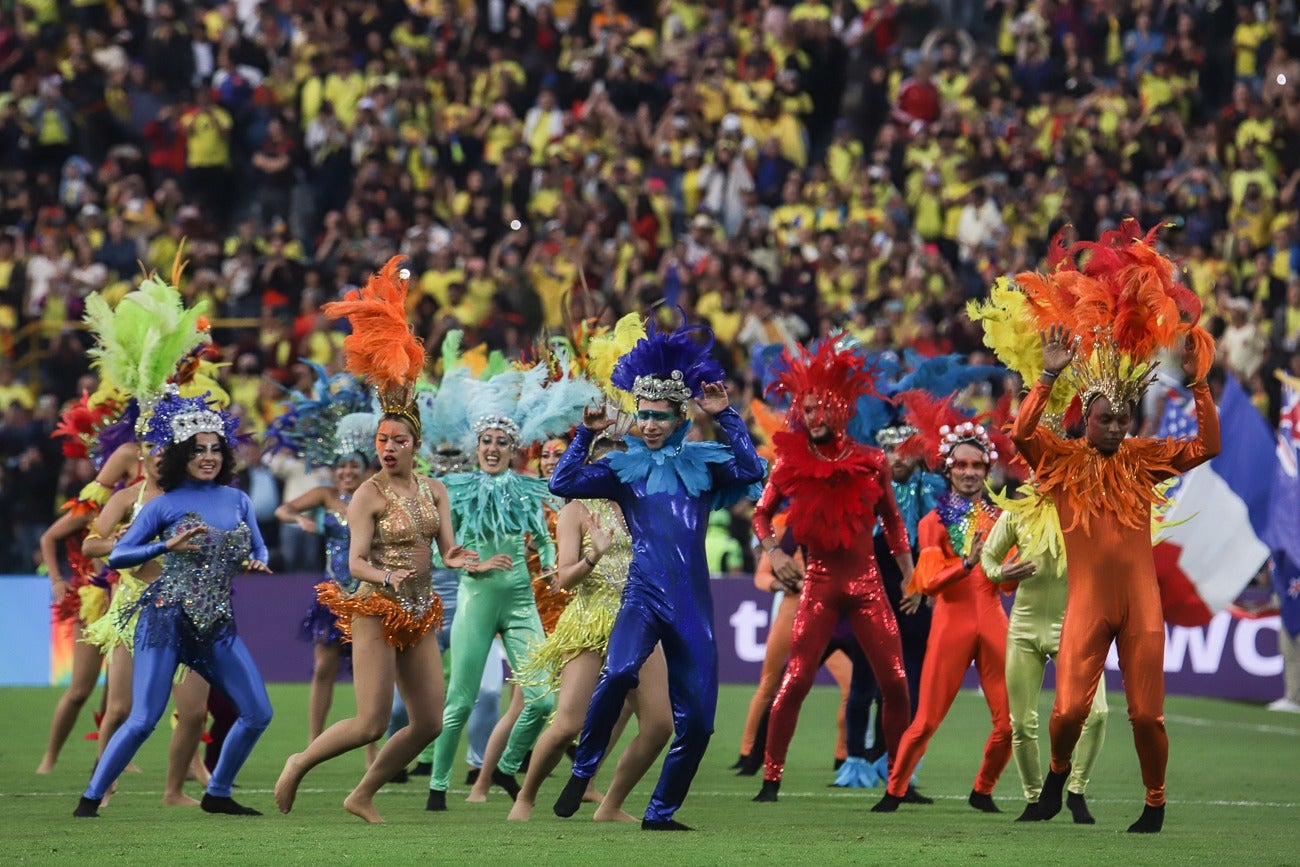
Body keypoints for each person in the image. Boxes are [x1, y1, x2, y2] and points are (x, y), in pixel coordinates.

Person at [1008, 223, 1218, 833]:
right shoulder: (1062, 459)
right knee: (1069, 710)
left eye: (1124, 416)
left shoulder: (1144, 459)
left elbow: (1208, 444)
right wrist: (1047, 377)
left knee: (1148, 717)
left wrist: (1199, 383)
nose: (1117, 424)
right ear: (1087, 418)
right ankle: (1055, 779)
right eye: (1106, 417)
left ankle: (1154, 803)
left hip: (1141, 604)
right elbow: (1022, 435)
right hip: (1087, 604)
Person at [274, 256, 474, 824]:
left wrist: (465, 560)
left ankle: (363, 792)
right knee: (369, 720)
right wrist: (385, 576)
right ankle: (298, 761)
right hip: (375, 606)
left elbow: (446, 550)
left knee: (430, 722)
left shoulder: (435, 489)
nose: (387, 447)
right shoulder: (367, 494)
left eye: (397, 440)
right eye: (382, 439)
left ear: (416, 444)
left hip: (420, 609)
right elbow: (357, 561)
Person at [549, 320, 765, 830]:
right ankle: (583, 770)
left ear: (679, 417)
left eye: (659, 416)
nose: (648, 424)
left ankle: (660, 814)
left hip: (692, 606)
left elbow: (753, 471)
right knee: (620, 671)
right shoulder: (624, 468)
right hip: (642, 596)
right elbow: (563, 481)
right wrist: (586, 433)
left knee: (700, 724)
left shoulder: (705, 466)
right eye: (642, 415)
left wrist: (728, 416)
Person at [75, 393, 273, 818]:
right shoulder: (163, 504)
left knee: (258, 713)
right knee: (144, 717)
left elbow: (259, 545)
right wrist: (166, 543)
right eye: (198, 449)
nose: (208, 457)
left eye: (215, 448)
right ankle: (91, 798)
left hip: (216, 623)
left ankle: (217, 792)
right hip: (164, 617)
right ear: (182, 455)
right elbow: (117, 555)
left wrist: (258, 560)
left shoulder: (237, 500)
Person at [750, 339, 913, 803]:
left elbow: (893, 522)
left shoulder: (872, 460)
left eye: (820, 407)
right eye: (806, 408)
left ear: (840, 408)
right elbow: (761, 515)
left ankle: (896, 783)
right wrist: (776, 554)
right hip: (818, 586)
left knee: (895, 682)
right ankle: (771, 778)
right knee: (796, 679)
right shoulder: (789, 463)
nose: (812, 416)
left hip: (867, 587)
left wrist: (908, 573)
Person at [508, 435, 673, 822]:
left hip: (638, 620)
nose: (615, 472)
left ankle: (610, 804)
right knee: (568, 723)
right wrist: (593, 555)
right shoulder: (576, 510)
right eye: (606, 465)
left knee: (660, 725)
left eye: (621, 464)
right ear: (591, 470)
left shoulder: (641, 506)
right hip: (588, 622)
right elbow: (564, 579)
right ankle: (525, 798)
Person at [873, 400, 1012, 814]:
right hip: (951, 623)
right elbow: (928, 580)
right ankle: (895, 790)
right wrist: (966, 564)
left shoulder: (1004, 518)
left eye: (976, 465)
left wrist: (1020, 572)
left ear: (987, 470)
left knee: (1010, 725)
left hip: (992, 621)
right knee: (926, 722)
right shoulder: (932, 522)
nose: (969, 473)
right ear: (947, 471)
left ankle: (983, 790)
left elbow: (1006, 576)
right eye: (961, 465)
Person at [82, 448, 213, 806]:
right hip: (133, 611)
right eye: (154, 451)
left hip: (182, 608)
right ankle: (102, 781)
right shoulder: (128, 497)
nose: (160, 458)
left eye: (167, 451)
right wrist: (119, 542)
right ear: (142, 455)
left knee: (194, 711)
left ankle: (174, 791)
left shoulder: (195, 496)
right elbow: (90, 544)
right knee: (121, 708)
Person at [981, 481, 1108, 824]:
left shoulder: (1090, 509)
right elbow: (988, 557)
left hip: (1075, 628)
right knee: (1021, 723)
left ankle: (1076, 790)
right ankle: (1034, 799)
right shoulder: (1017, 512)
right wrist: (999, 572)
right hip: (1024, 629)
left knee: (1096, 714)